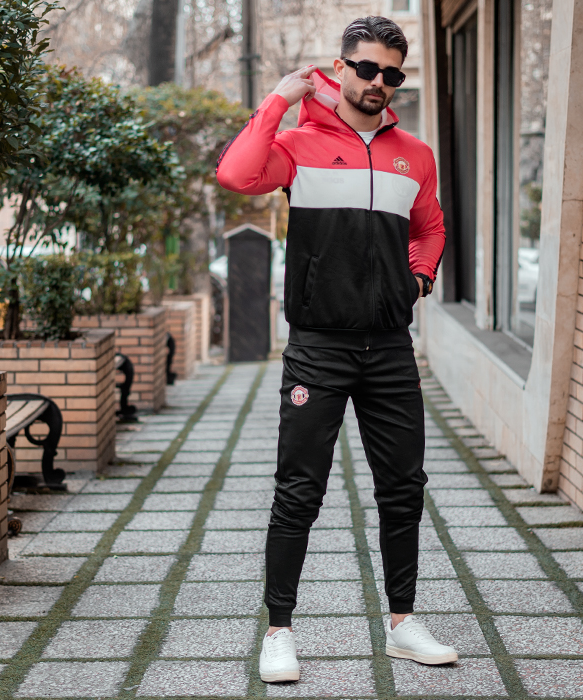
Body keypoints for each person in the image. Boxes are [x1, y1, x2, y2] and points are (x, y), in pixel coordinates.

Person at [216, 15, 456, 683]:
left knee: (403, 488)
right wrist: (279, 98)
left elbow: (431, 227)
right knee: (299, 491)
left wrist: (417, 279)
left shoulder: (415, 154)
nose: (379, 82)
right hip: (318, 346)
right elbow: (236, 174)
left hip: (390, 347)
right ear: (342, 68)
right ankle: (279, 632)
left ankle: (402, 624)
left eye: (391, 73)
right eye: (367, 68)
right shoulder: (298, 145)